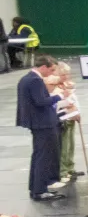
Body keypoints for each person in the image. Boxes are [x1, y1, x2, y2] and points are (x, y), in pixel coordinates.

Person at [15, 54, 64, 201]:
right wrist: (59, 96)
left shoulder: (26, 79)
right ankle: (40, 190)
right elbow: (41, 101)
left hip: (36, 123)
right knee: (44, 156)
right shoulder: (36, 80)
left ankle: (36, 187)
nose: (51, 73)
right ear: (43, 67)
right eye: (51, 69)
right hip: (43, 123)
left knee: (38, 155)